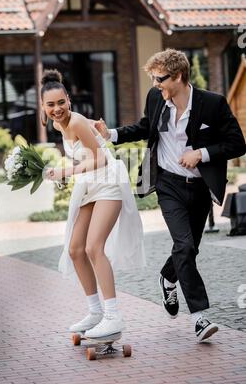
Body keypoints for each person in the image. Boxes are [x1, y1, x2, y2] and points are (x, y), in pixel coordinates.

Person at [95, 48, 246, 342]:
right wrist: (110, 134)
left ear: (178, 76)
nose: (155, 85)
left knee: (189, 249)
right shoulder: (156, 99)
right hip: (168, 185)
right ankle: (200, 318)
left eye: (159, 79)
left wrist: (201, 154)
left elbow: (238, 143)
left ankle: (168, 276)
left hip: (200, 187)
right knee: (184, 244)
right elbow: (145, 127)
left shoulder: (212, 104)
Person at [41, 69, 146, 338]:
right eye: (51, 105)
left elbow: (100, 159)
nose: (57, 109)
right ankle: (95, 311)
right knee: (76, 249)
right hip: (89, 184)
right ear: (43, 106)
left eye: (61, 103)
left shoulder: (74, 121)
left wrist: (65, 172)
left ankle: (113, 316)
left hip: (109, 180)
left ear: (69, 101)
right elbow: (86, 149)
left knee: (93, 247)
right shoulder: (58, 124)